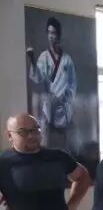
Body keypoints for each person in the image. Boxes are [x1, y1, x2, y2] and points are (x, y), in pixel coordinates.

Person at [0, 113, 90, 210]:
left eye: (35, 130)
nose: (32, 136)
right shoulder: (3, 162)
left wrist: (73, 205)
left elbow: (82, 176)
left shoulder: (57, 157)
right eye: (23, 132)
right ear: (9, 135)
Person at [26, 16, 77, 151]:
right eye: (49, 32)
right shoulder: (43, 57)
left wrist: (65, 97)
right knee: (46, 143)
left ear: (58, 35)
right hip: (49, 104)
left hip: (63, 105)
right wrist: (32, 60)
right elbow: (37, 78)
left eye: (53, 33)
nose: (51, 36)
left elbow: (73, 84)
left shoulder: (67, 60)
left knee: (68, 145)